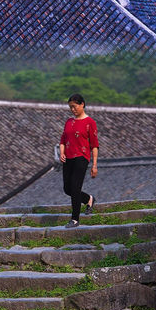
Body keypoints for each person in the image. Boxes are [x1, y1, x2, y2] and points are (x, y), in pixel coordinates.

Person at [59, 94, 98, 228]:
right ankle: (89, 199)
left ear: (82, 105)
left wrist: (94, 165)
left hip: (81, 157)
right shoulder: (69, 122)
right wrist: (62, 152)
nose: (72, 110)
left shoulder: (90, 122)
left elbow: (94, 145)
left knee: (75, 187)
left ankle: (75, 219)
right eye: (70, 107)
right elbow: (63, 140)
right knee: (67, 189)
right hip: (68, 158)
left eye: (74, 107)